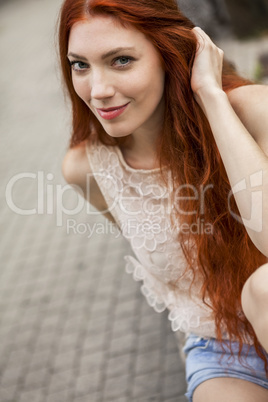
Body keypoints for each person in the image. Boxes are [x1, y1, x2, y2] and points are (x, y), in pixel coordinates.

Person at [57, 0, 268, 400]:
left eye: (120, 60)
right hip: (221, 346)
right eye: (80, 64)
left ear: (166, 52)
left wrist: (210, 97)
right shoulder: (86, 170)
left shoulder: (254, 111)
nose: (98, 90)